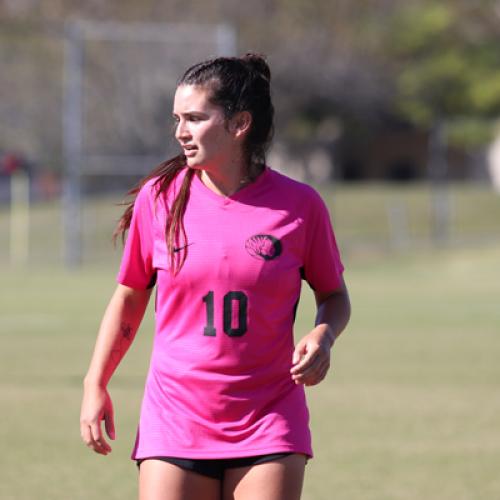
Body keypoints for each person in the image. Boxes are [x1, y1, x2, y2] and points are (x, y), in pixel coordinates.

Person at [80, 53, 351, 500]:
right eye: (177, 119)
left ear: (239, 124)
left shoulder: (300, 207)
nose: (180, 133)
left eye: (194, 118)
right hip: (176, 419)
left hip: (268, 419)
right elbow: (129, 297)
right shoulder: (159, 199)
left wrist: (324, 334)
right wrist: (96, 384)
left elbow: (334, 295)